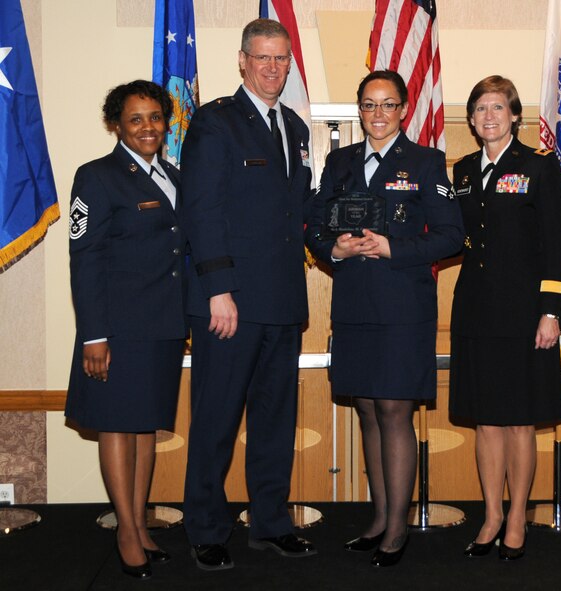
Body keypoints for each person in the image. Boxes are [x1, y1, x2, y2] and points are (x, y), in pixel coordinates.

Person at [306, 70, 464, 567]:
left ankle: (398, 527)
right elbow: (313, 225)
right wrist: (336, 245)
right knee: (367, 410)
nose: (378, 114)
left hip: (402, 307)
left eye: (388, 105)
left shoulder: (426, 161)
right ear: (359, 110)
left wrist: (391, 245)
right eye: (370, 105)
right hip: (353, 304)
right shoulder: (340, 161)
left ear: (404, 110)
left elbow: (450, 235)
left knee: (395, 412)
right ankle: (377, 518)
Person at [180, 18, 315, 571]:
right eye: (263, 58)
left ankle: (270, 522)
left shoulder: (296, 129)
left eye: (282, 60)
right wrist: (219, 290)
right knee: (215, 420)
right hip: (229, 306)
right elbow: (202, 212)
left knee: (274, 421)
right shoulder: (215, 123)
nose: (273, 69)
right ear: (242, 60)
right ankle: (206, 529)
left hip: (282, 303)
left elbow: (296, 214)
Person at [65, 80, 187, 579]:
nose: (147, 127)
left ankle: (139, 522)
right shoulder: (96, 177)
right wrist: (94, 334)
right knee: (117, 424)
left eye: (155, 117)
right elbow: (85, 259)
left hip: (163, 326)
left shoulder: (175, 175)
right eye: (135, 119)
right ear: (116, 124)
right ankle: (124, 530)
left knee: (144, 426)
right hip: (116, 328)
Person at [449, 75, 561, 560]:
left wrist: (551, 313)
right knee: (486, 422)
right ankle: (492, 514)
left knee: (520, 422)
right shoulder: (460, 172)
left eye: (498, 107)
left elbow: (557, 246)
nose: (489, 116)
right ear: (473, 120)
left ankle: (518, 516)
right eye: (480, 108)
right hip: (475, 311)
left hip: (524, 315)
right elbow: (451, 235)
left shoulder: (538, 167)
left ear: (515, 115)